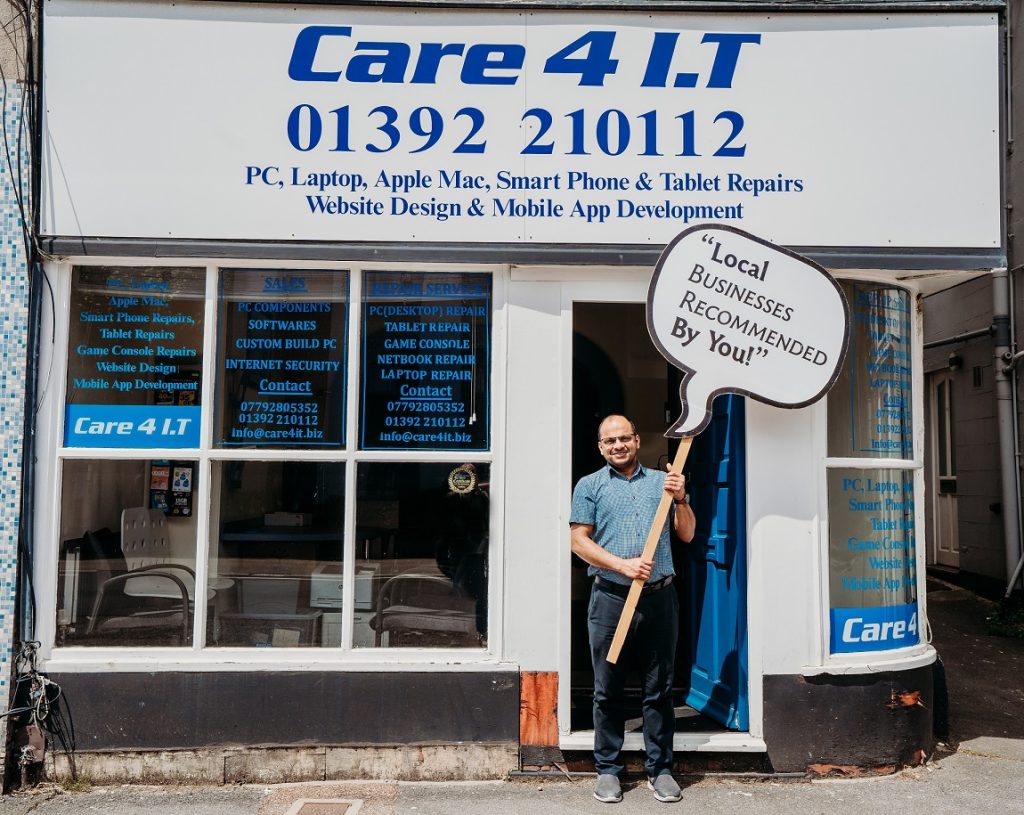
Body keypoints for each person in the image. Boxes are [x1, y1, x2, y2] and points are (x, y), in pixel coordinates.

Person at [570, 415, 696, 804]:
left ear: (637, 441)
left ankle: (660, 769)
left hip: (658, 598)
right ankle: (608, 768)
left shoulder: (663, 483)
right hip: (610, 598)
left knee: (658, 690)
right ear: (600, 447)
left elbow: (687, 533)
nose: (618, 445)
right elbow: (578, 542)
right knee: (607, 689)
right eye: (610, 441)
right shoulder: (589, 486)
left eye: (624, 438)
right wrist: (622, 565)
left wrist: (681, 498)